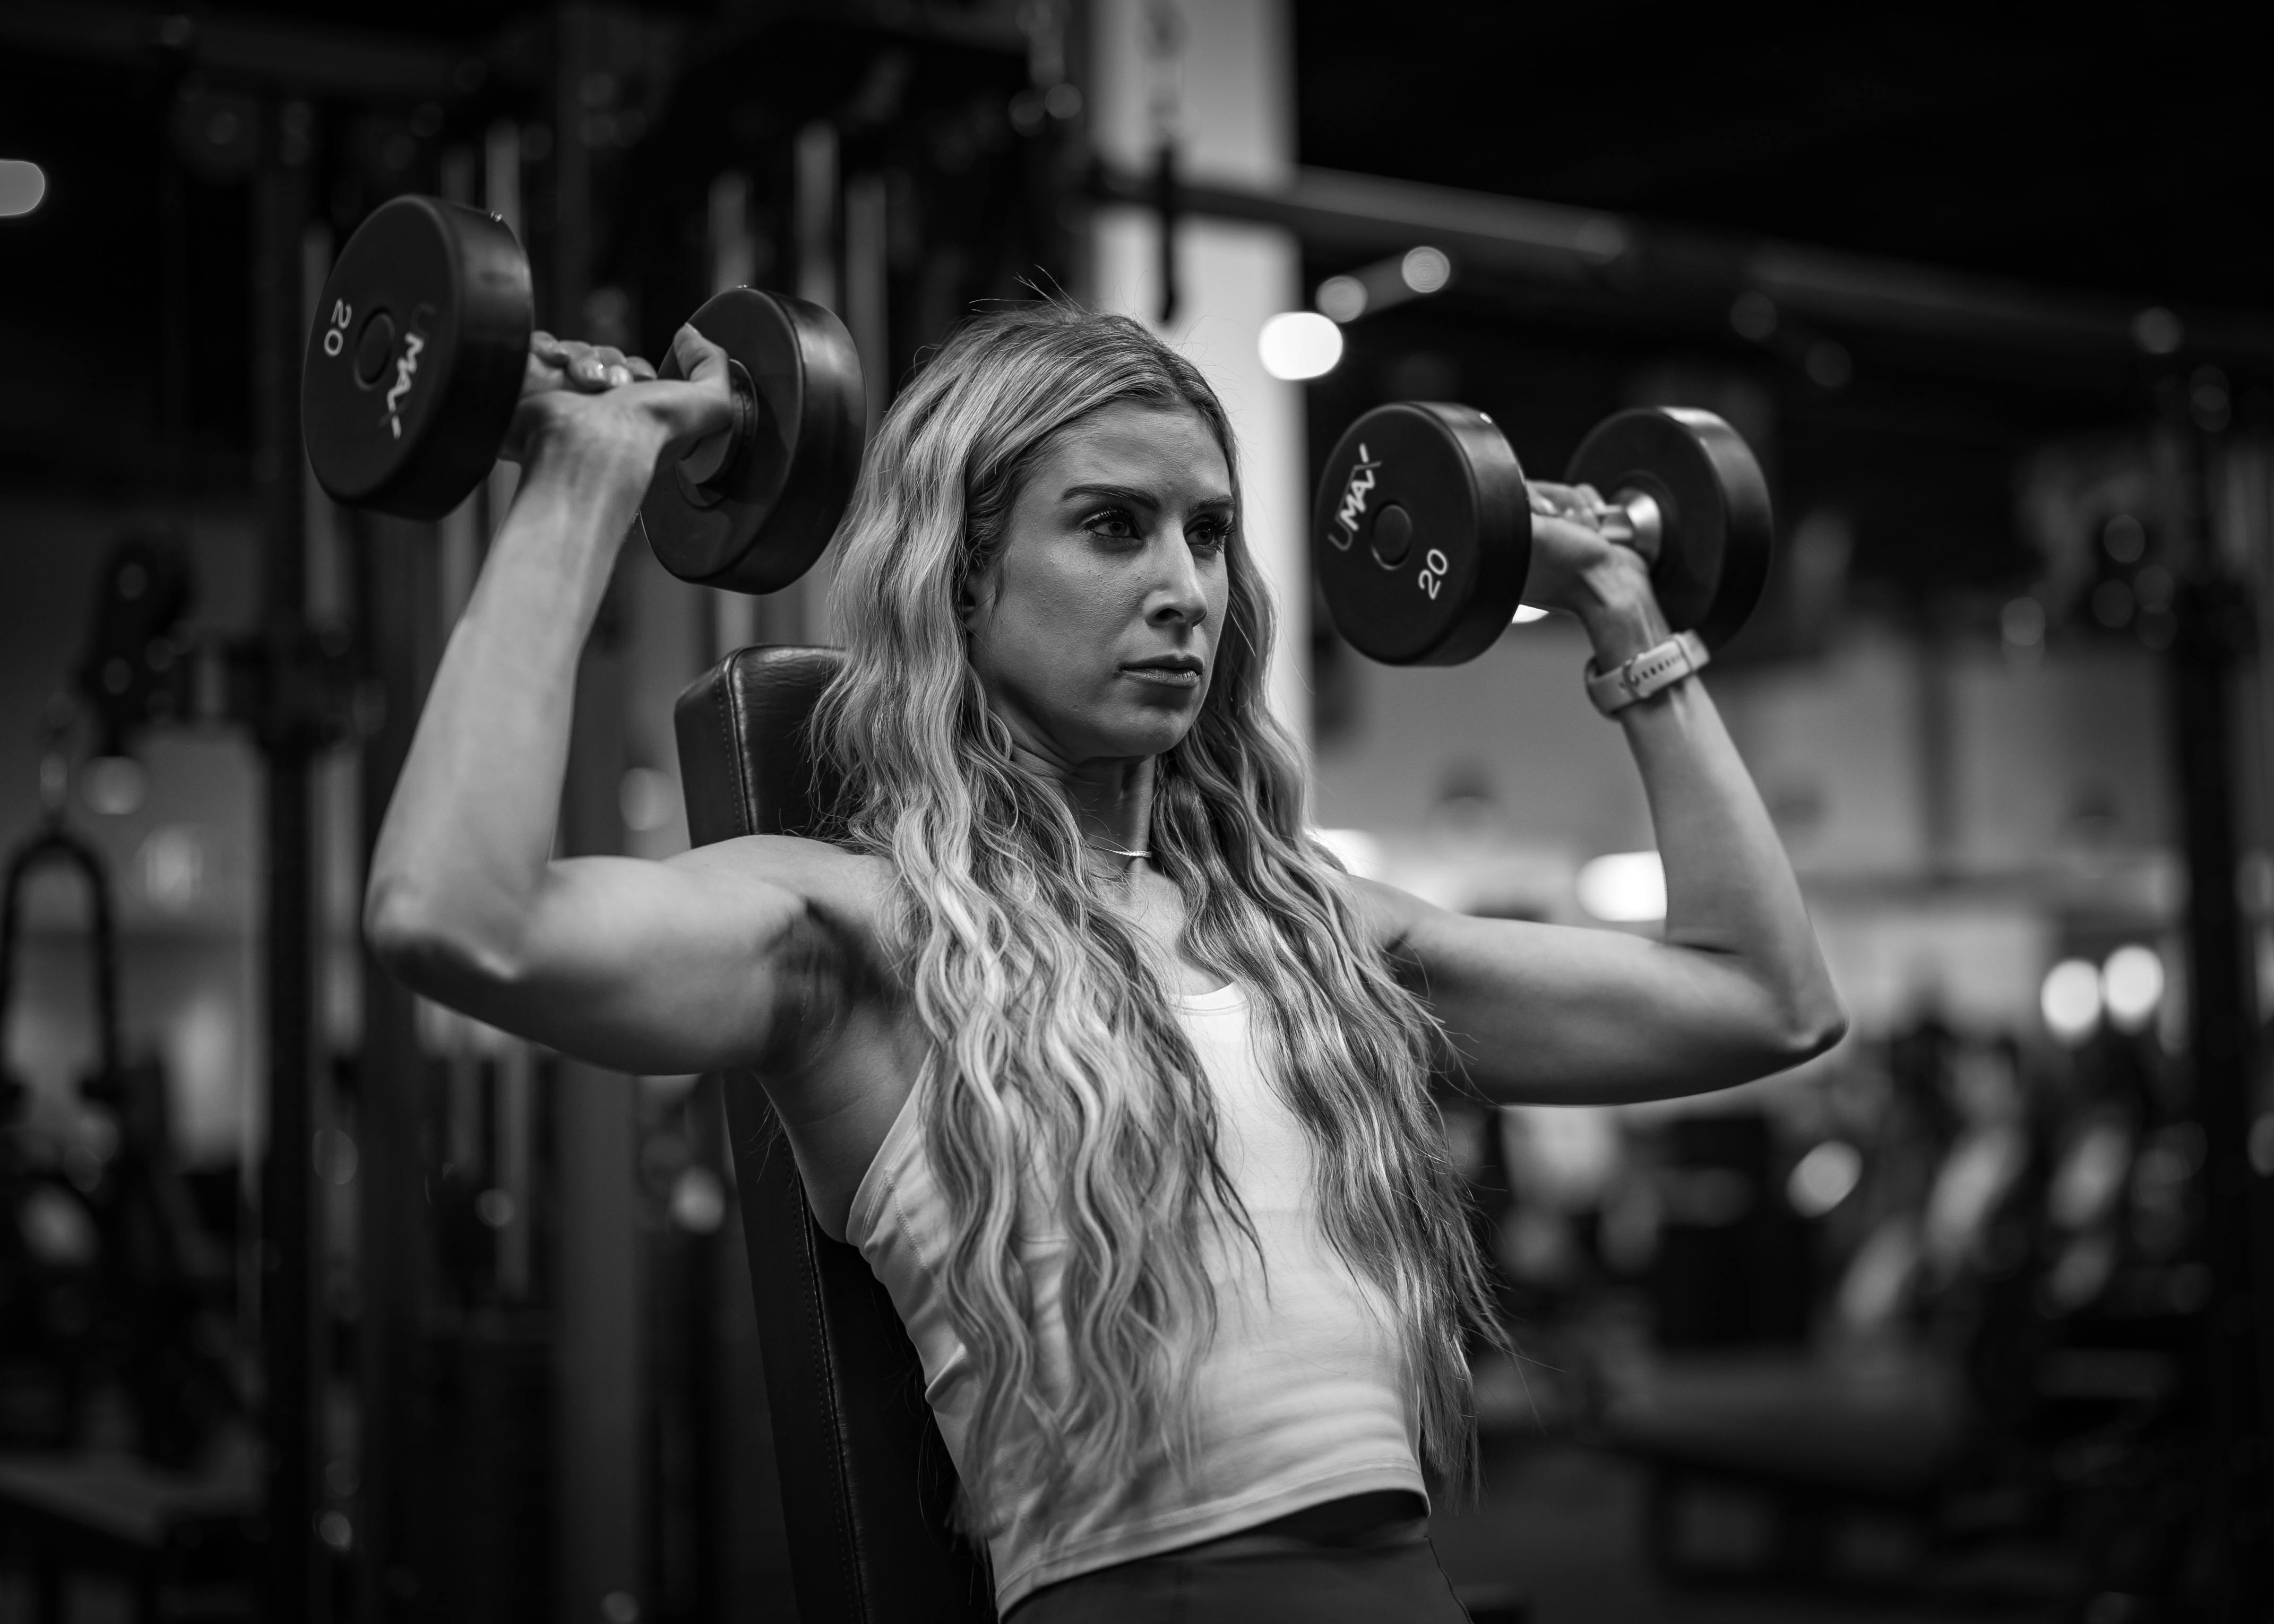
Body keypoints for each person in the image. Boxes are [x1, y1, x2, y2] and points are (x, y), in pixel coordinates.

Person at [367, 301, 1845, 1621]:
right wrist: (582, 477)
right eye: (1113, 526)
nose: (1185, 588)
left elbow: (1768, 1001)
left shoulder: (1320, 937)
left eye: (1206, 532)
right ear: (961, 580)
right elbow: (458, 912)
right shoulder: (865, 938)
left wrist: (1624, 609)